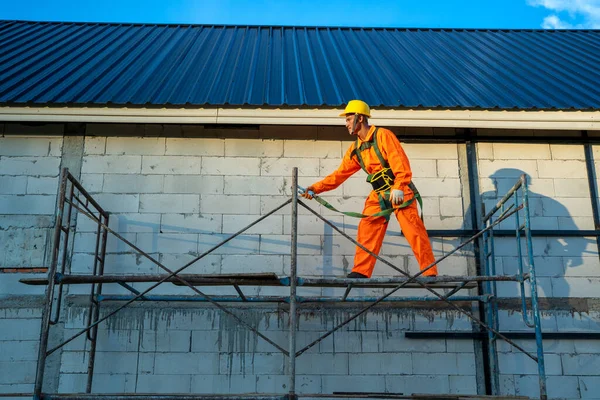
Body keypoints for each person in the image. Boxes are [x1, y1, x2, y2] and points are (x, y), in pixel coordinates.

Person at [301, 100, 438, 278]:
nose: (347, 123)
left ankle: (430, 272)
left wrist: (400, 186)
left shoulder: (383, 136)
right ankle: (361, 271)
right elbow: (339, 175)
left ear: (360, 118)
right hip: (380, 193)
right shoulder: (356, 149)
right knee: (367, 228)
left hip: (399, 189)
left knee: (413, 230)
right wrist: (314, 189)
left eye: (349, 119)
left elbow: (399, 161)